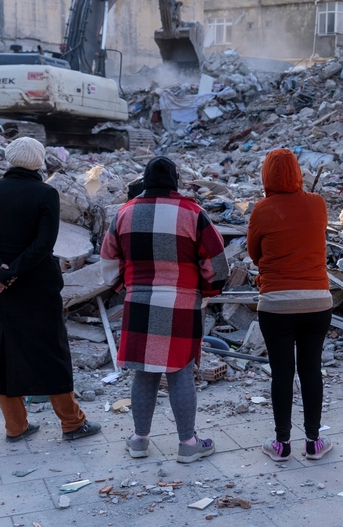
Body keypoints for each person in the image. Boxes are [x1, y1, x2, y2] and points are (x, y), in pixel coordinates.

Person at [0, 137, 101, 443]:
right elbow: (43, 244)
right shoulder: (45, 193)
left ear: (9, 159)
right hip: (38, 283)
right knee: (49, 350)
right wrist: (10, 272)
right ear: (38, 163)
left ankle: (16, 427)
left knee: (3, 353)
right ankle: (72, 423)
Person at [101, 156, 228, 463]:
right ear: (174, 180)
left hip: (139, 303)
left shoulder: (124, 213)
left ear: (145, 180)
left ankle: (139, 442)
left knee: (143, 373)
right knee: (180, 372)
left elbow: (107, 264)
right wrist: (206, 292)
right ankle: (188, 444)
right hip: (182, 304)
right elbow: (217, 264)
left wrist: (126, 288)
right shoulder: (193, 213)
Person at [247, 149, 334, 462]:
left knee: (281, 373)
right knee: (311, 369)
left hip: (276, 304)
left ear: (266, 176)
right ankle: (313, 442)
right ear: (298, 172)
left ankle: (281, 445)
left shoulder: (261, 209)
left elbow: (254, 253)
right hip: (317, 301)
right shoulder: (318, 203)